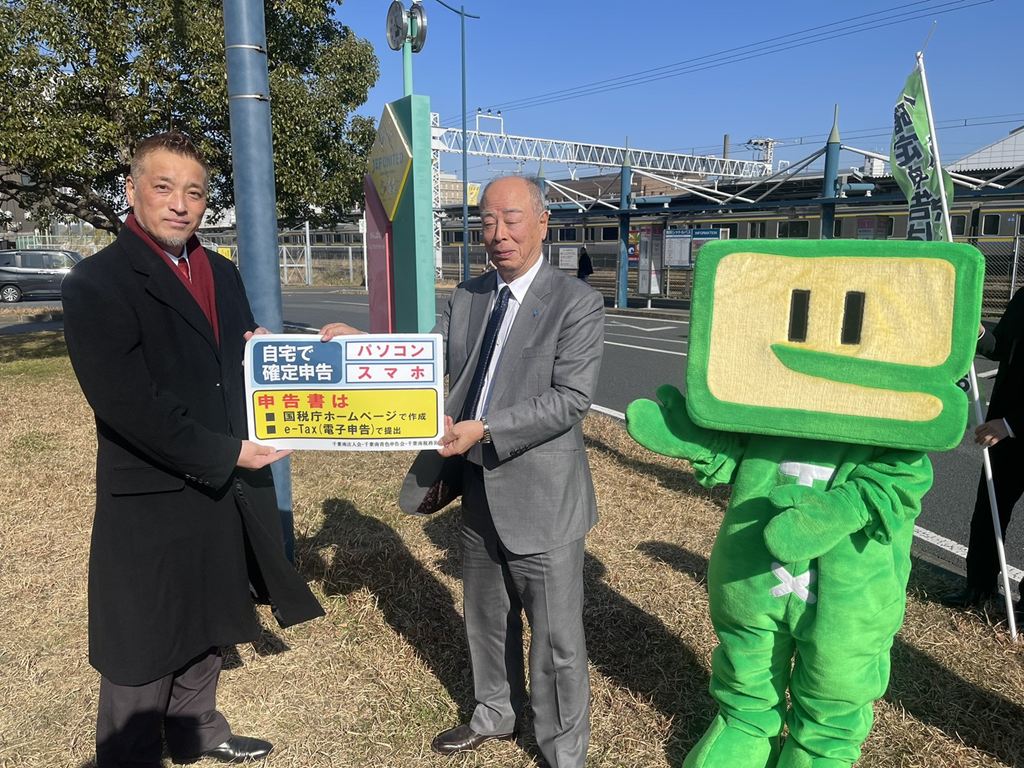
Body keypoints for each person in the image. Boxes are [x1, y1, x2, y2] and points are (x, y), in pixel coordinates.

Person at [62, 132, 324, 768]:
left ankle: (197, 730)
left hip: (220, 482)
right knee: (144, 632)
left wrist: (305, 349)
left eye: (195, 192)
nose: (180, 204)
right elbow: (129, 405)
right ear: (132, 191)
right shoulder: (99, 282)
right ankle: (128, 753)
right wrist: (227, 453)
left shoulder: (220, 272)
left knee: (211, 610)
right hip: (153, 485)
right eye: (163, 187)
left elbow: (243, 355)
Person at [322, 175, 604, 767]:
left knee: (556, 638)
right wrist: (362, 345)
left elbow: (571, 399)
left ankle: (562, 751)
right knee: (486, 617)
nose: (498, 234)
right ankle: (494, 714)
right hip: (475, 483)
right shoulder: (469, 295)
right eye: (487, 221)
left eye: (512, 219)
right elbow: (426, 358)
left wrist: (487, 428)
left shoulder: (575, 302)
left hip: (543, 495)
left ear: (543, 222)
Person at [946, 293, 1024, 619]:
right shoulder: (1023, 298)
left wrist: (1011, 424)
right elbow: (1002, 346)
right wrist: (979, 332)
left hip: (1008, 426)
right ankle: (978, 588)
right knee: (989, 513)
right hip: (1003, 433)